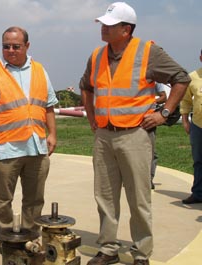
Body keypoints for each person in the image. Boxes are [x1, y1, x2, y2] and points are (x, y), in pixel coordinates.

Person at [79, 2, 190, 265]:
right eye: (103, 24)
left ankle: (141, 253)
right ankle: (108, 248)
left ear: (126, 29)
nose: (103, 29)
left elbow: (181, 78)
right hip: (105, 136)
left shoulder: (148, 52)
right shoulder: (97, 55)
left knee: (139, 198)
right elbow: (86, 86)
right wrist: (93, 117)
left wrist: (164, 113)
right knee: (104, 196)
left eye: (110, 25)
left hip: (135, 135)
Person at [0, 26, 57, 234]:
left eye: (16, 46)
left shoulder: (39, 70)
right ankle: (5, 238)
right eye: (6, 46)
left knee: (35, 199)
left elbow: (48, 106)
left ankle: (30, 236)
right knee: (3, 200)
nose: (10, 50)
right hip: (6, 149)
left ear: (27, 46)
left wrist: (52, 134)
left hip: (36, 147)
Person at [180, 49, 202, 205]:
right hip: (198, 126)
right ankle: (198, 193)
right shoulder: (193, 77)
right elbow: (186, 101)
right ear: (200, 57)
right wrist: (185, 120)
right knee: (198, 161)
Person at [151, 83, 167, 189]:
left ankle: (148, 179)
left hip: (148, 118)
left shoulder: (155, 80)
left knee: (151, 151)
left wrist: (151, 101)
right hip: (129, 117)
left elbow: (164, 97)